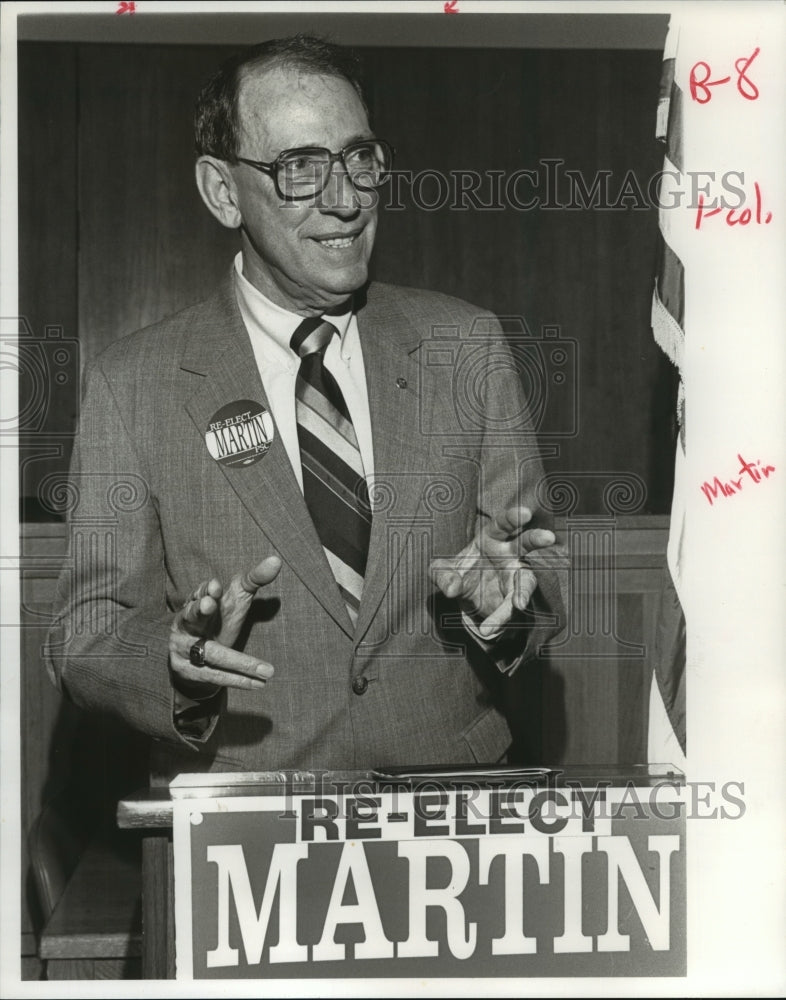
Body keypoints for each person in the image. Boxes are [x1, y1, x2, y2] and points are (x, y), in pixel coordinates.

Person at [46, 36, 565, 778]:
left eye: (359, 157)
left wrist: (509, 608)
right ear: (223, 192)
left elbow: (543, 575)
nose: (347, 198)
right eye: (300, 168)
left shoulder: (466, 344)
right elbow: (87, 636)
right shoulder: (134, 385)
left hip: (451, 816)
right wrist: (179, 663)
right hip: (248, 832)